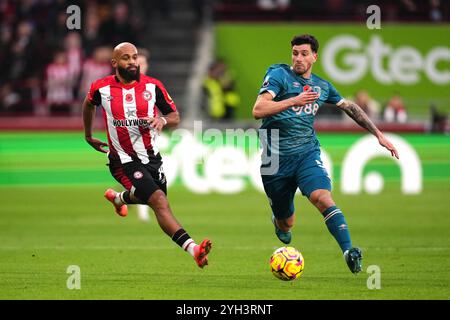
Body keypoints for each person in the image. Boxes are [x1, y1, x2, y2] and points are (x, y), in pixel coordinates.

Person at [252, 34, 399, 274]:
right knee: (286, 224)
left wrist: (378, 134)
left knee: (322, 197)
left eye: (304, 54)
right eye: (295, 53)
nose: (298, 58)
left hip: (306, 154)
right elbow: (258, 109)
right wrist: (294, 101)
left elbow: (350, 107)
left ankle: (349, 250)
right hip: (274, 159)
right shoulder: (279, 75)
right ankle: (279, 222)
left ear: (314, 57)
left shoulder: (321, 86)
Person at [82, 42, 212, 268]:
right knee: (159, 202)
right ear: (114, 63)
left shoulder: (153, 87)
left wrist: (162, 120)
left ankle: (119, 198)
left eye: (134, 57)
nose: (132, 62)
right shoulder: (101, 88)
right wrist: (88, 134)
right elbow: (88, 104)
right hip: (122, 160)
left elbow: (174, 116)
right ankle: (194, 249)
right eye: (126, 58)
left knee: (154, 199)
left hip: (151, 157)